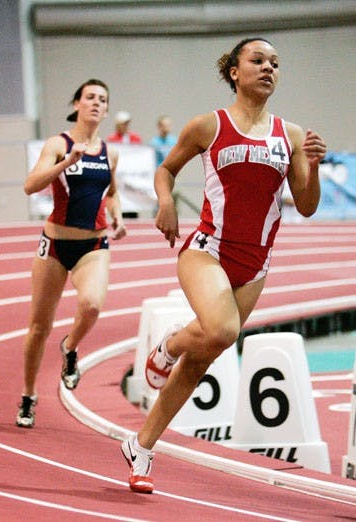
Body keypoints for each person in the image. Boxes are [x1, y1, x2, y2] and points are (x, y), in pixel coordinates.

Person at [121, 37, 326, 493]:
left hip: (255, 264)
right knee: (222, 331)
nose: (268, 68)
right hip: (207, 250)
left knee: (201, 361)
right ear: (234, 71)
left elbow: (308, 206)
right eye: (257, 60)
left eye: (275, 63)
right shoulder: (207, 126)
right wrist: (165, 202)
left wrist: (311, 168)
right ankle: (170, 343)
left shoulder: (290, 135)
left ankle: (142, 448)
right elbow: (165, 169)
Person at [16, 78, 127, 428]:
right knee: (38, 327)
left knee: (92, 305)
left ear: (107, 110)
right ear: (77, 103)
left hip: (93, 243)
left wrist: (118, 215)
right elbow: (30, 186)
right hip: (54, 245)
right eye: (90, 97)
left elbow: (111, 192)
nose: (96, 103)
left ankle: (70, 347)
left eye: (102, 99)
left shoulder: (112, 152)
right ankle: (29, 395)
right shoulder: (58, 143)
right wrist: (66, 162)